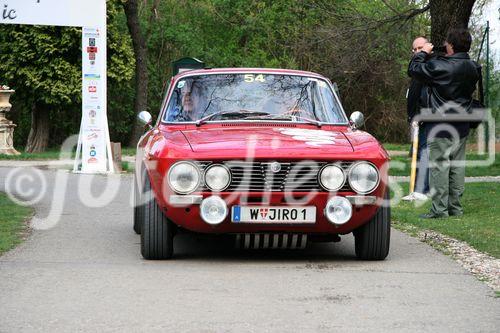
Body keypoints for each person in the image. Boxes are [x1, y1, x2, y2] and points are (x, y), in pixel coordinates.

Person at [408, 28, 479, 219]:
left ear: (450, 45)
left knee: (439, 166)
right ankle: (455, 207)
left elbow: (413, 70)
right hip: (462, 121)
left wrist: (423, 53)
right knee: (457, 166)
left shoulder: (442, 67)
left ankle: (439, 210)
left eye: (447, 43)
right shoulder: (473, 67)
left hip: (441, 123)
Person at [403, 36, 430, 201]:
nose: (416, 52)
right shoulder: (416, 68)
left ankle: (421, 191)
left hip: (426, 118)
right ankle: (417, 190)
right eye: (414, 49)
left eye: (420, 48)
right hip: (416, 118)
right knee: (417, 152)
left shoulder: (427, 67)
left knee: (423, 153)